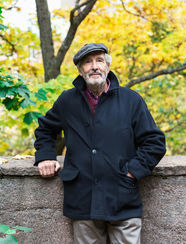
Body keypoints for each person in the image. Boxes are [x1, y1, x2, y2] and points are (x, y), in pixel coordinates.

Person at [34, 43, 166, 244]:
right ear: (80, 70)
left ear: (108, 67)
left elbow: (154, 143)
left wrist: (131, 173)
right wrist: (45, 157)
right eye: (87, 62)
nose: (94, 66)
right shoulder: (67, 101)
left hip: (123, 198)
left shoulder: (131, 100)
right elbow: (45, 129)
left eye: (99, 61)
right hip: (82, 198)